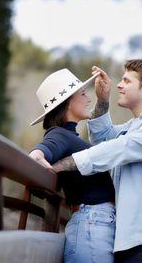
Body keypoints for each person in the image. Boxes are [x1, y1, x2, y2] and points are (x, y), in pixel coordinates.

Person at [34, 60, 142, 263]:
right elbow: (104, 139)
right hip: (128, 238)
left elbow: (116, 149)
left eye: (126, 81)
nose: (119, 85)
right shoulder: (136, 126)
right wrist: (103, 100)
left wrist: (61, 165)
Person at [29, 68, 116, 263]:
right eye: (83, 93)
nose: (88, 98)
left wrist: (104, 99)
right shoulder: (59, 134)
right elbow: (41, 151)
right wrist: (36, 156)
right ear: (67, 102)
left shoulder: (68, 136)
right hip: (91, 227)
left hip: (94, 226)